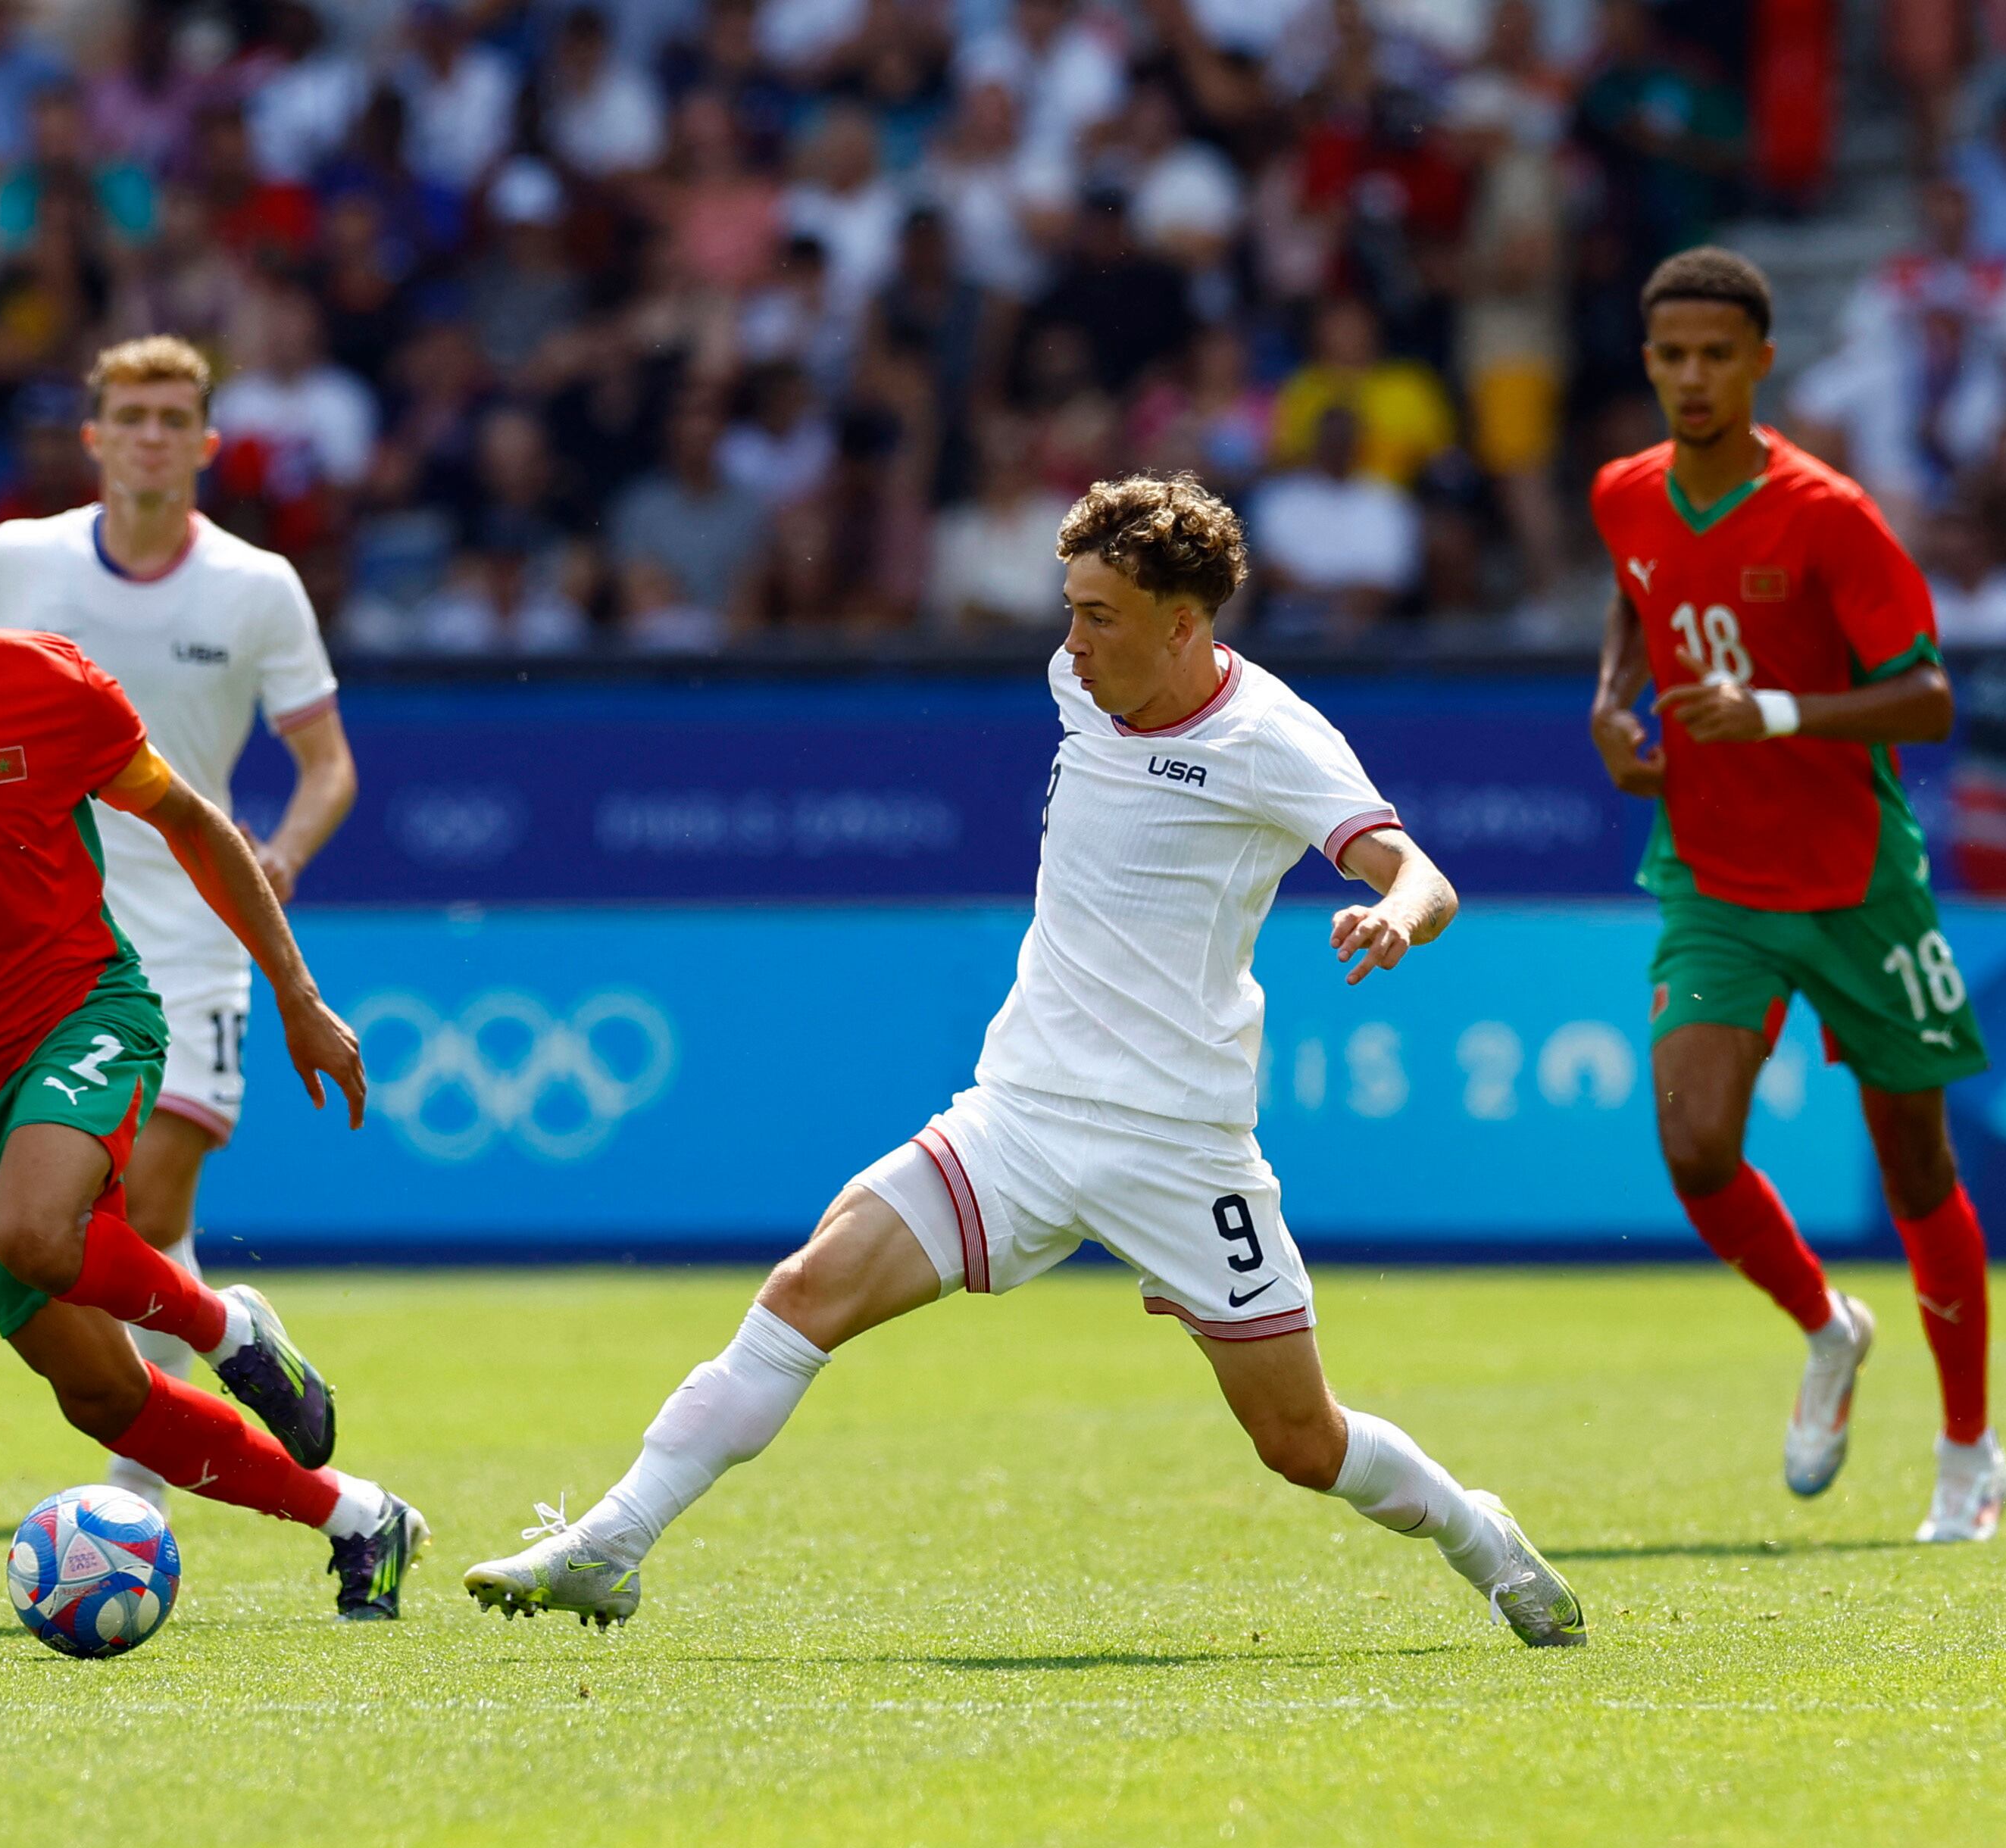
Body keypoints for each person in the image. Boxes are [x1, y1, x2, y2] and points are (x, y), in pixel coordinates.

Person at [466, 473, 1586, 1649]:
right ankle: (611, 1540)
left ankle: (1479, 1533)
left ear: (1184, 627)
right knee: (805, 1293)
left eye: (1101, 614)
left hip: (1180, 1143)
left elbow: (1423, 873)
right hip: (1023, 1114)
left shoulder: (1272, 738)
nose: (1073, 640)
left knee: (1299, 1442)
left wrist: (1396, 917)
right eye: (1071, 607)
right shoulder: (1081, 686)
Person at [0, 462, 426, 1620]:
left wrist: (295, 991)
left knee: (42, 1233)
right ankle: (360, 1518)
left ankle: (230, 1326)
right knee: (100, 1394)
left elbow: (195, 822)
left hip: (86, 1011)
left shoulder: (45, 682)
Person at [1587, 248, 2006, 1543]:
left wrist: (1774, 711)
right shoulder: (1625, 492)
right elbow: (1635, 597)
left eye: (1720, 354)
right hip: (1713, 873)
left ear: (1762, 362)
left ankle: (1967, 1450)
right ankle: (1829, 1325)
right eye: (1674, 356)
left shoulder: (1831, 514)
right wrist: (1609, 702)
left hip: (1853, 883)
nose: (1696, 376)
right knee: (1696, 1143)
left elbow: (1931, 697)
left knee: (1917, 1166)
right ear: (1650, 363)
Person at [0, 335, 362, 1516]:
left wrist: (280, 854)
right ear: (92, 437)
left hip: (192, 938)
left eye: (173, 415)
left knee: (149, 1208)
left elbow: (328, 764)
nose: (151, 433)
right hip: (42, 935)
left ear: (206, 441)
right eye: (129, 413)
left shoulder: (256, 585)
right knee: (69, 1226)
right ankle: (215, 1372)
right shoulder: (24, 560)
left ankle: (136, 1492)